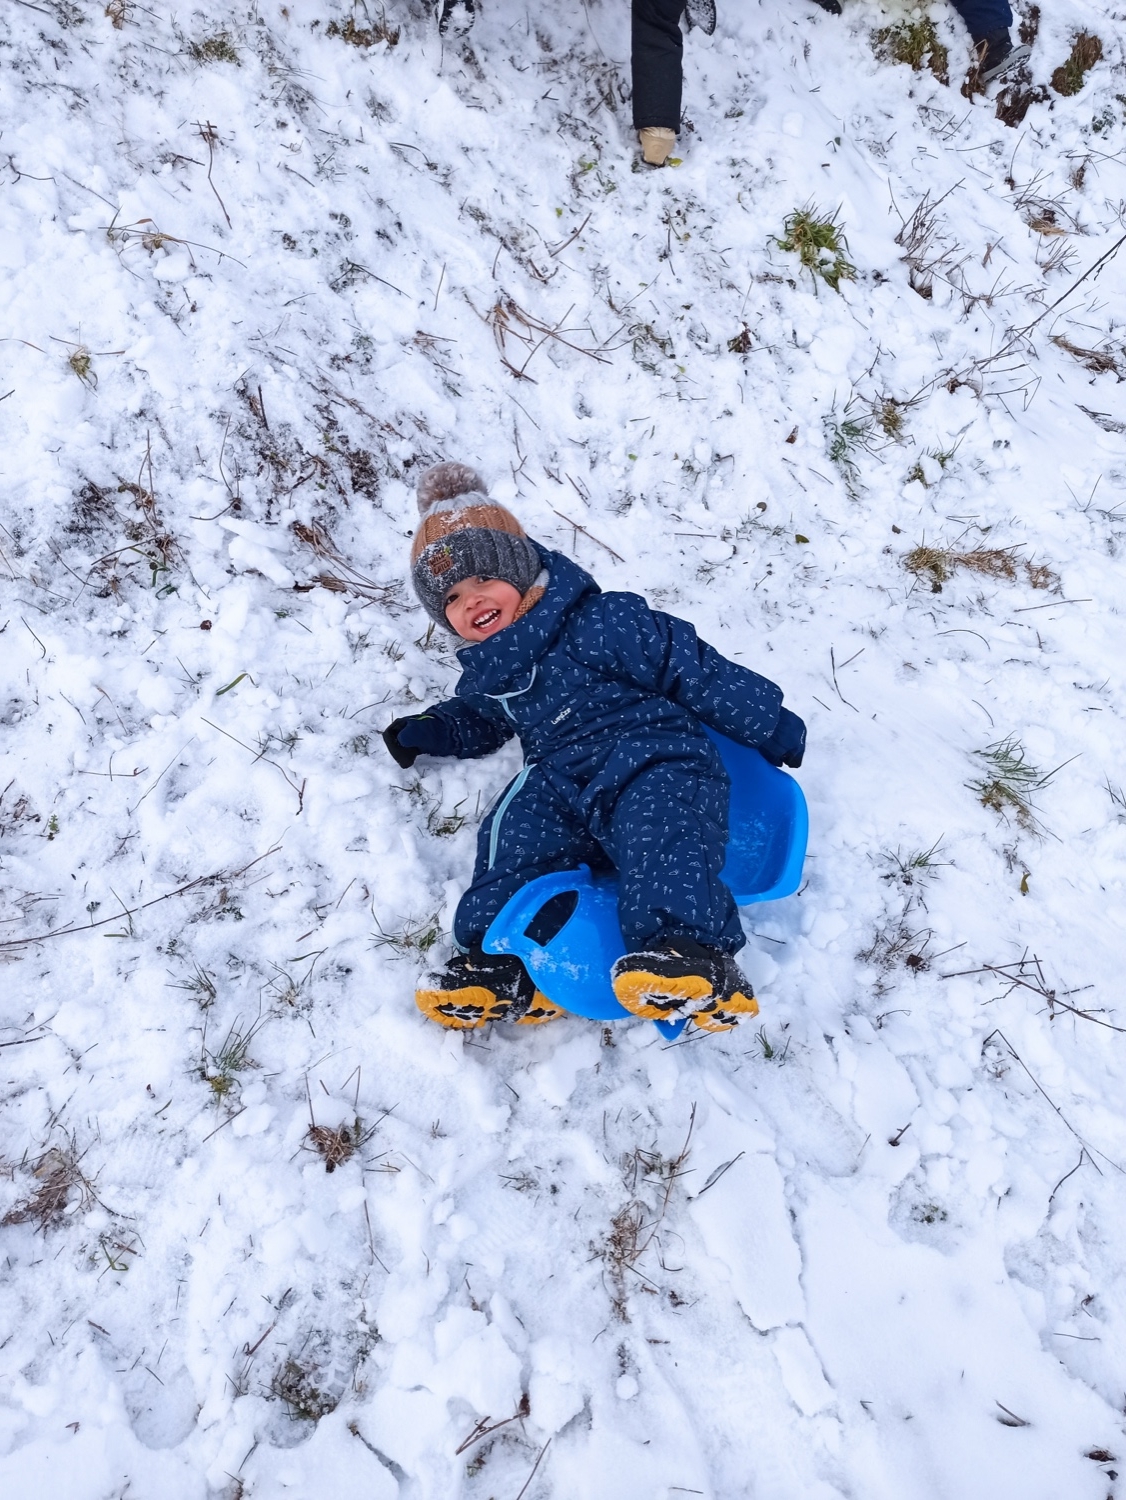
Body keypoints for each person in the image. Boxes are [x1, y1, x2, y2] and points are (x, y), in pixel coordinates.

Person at [381, 463, 806, 1034]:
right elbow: (482, 716)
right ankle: (499, 963)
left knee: (664, 826)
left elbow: (690, 665)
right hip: (559, 776)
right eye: (452, 597)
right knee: (514, 828)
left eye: (483, 578)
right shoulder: (492, 672)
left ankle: (688, 953)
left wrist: (766, 719)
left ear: (520, 569)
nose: (472, 600)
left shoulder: (603, 621)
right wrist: (434, 728)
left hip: (649, 755)